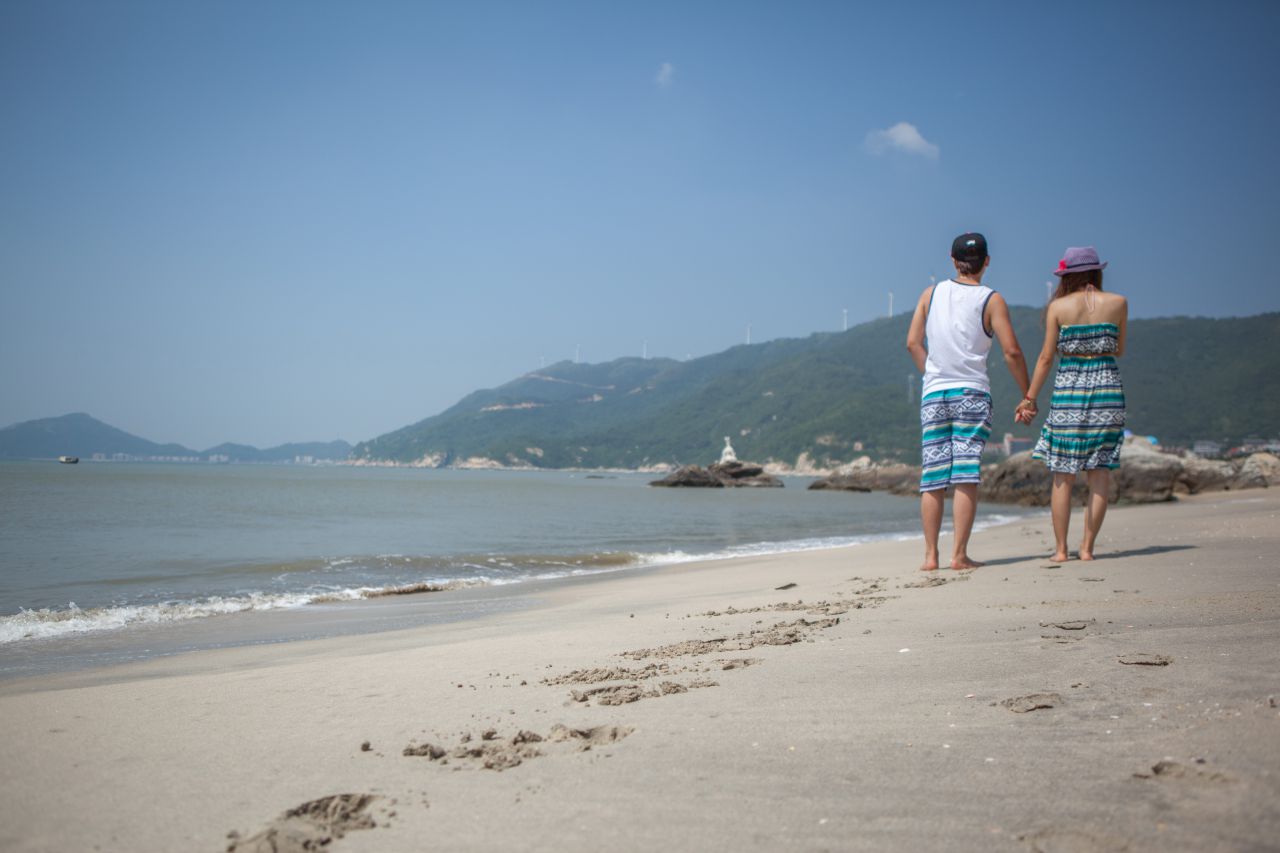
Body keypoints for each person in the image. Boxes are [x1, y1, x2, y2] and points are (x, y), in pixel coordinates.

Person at [906, 233, 1030, 571]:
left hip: (935, 393)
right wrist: (1027, 394)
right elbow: (1012, 351)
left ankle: (930, 556)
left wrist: (932, 374)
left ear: (952, 259)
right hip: (971, 393)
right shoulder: (991, 300)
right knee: (965, 475)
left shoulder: (930, 295)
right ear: (986, 261)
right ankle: (959, 555)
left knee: (933, 476)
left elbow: (913, 343)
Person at [1015, 246, 1127, 562]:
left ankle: (1062, 550)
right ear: (1097, 272)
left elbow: (1046, 358)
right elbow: (1119, 350)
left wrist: (1029, 399)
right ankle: (1088, 549)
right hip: (1107, 390)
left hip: (1069, 390)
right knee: (1100, 472)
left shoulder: (1058, 307)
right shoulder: (1119, 302)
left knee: (1063, 473)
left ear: (1066, 276)